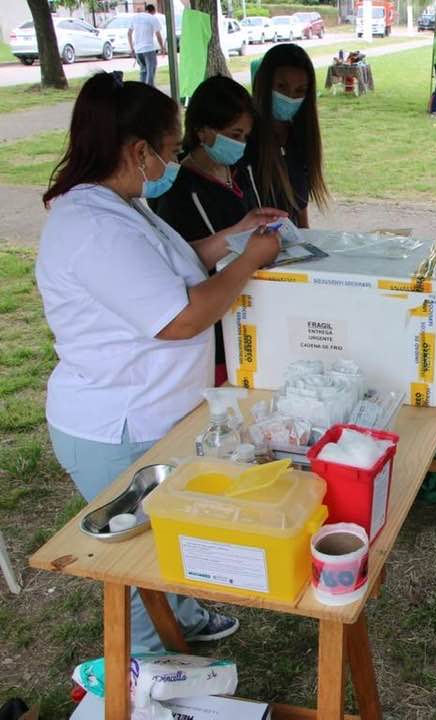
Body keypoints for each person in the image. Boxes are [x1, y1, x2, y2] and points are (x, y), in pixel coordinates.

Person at [36, 72, 283, 654]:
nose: (173, 162)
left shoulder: (121, 206)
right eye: (171, 151)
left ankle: (184, 617)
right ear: (138, 151)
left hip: (151, 411)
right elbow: (181, 318)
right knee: (137, 559)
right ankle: (150, 672)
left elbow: (172, 266)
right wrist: (248, 263)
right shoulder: (94, 227)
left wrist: (235, 236)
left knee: (166, 531)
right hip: (117, 423)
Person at [152, 75, 285, 385]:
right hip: (215, 324)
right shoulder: (177, 189)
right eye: (233, 134)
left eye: (245, 136)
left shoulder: (241, 172)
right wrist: (246, 250)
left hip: (254, 307)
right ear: (203, 131)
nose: (240, 144)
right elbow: (185, 264)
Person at [246, 43, 331, 228]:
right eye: (281, 87)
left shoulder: (300, 137)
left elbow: (300, 205)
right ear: (264, 84)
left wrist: (305, 235)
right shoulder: (244, 138)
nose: (290, 97)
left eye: (300, 91)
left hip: (288, 240)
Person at [128, 4, 165, 87]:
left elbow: (129, 33)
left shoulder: (135, 18)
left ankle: (142, 89)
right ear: (153, 11)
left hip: (138, 50)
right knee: (150, 71)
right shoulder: (152, 18)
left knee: (143, 71)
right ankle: (149, 89)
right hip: (149, 49)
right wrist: (162, 47)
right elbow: (158, 35)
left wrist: (132, 48)